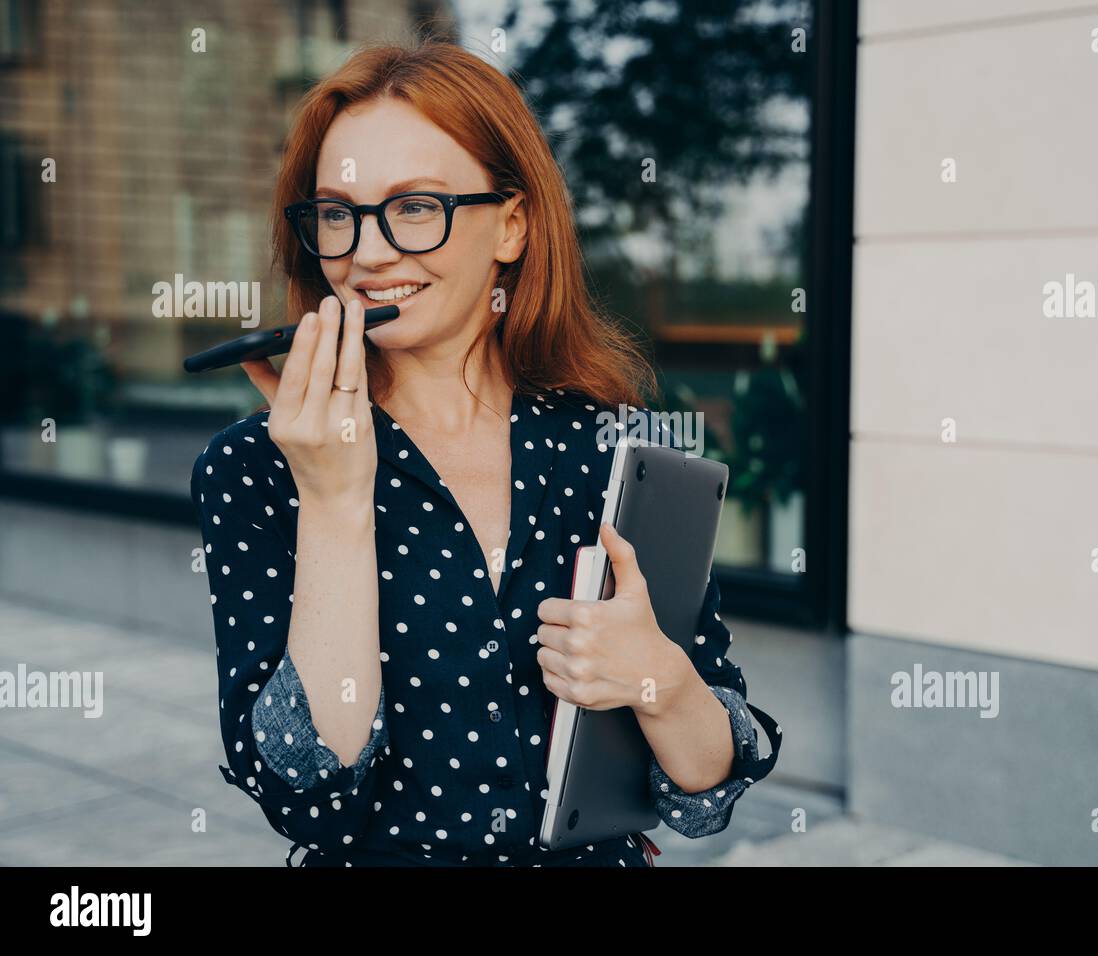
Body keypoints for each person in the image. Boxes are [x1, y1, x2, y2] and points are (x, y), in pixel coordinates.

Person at [190, 40, 781, 867]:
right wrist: (332, 499)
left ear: (512, 223)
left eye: (416, 206)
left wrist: (659, 676)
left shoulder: (614, 445)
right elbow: (308, 796)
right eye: (336, 212)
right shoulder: (255, 468)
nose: (365, 253)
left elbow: (706, 793)